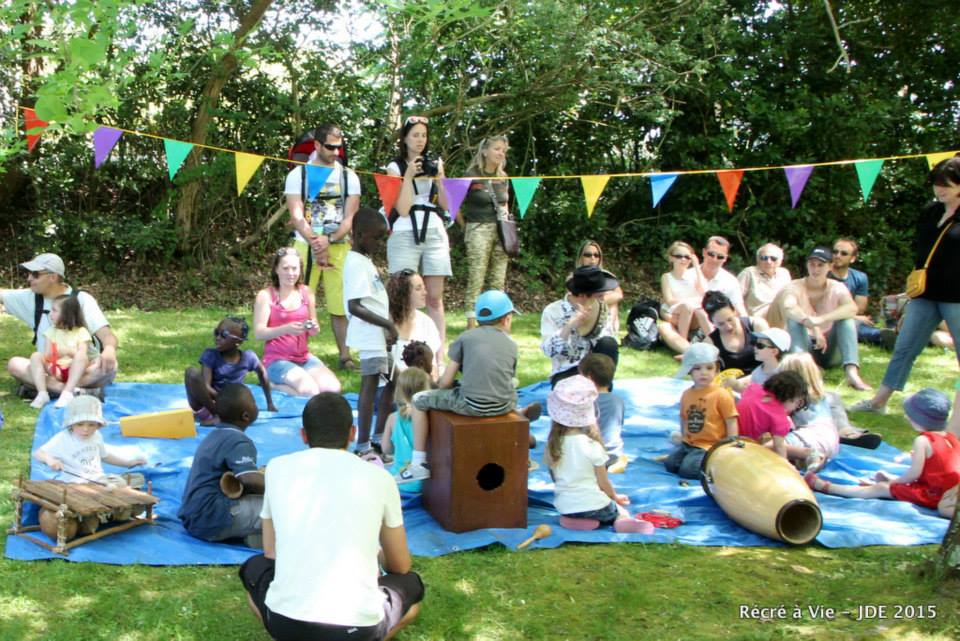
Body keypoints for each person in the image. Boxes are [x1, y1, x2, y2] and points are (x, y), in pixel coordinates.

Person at [239, 392, 424, 640]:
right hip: (359, 629)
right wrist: (373, 552)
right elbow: (400, 565)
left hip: (285, 624)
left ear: (303, 435)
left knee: (253, 568)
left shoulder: (276, 469)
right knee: (412, 587)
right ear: (353, 433)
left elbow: (271, 552)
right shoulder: (380, 478)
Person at [850, 156, 960, 415]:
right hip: (924, 294)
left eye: (946, 184)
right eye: (936, 183)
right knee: (904, 347)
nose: (939, 189)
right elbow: (921, 253)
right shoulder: (931, 211)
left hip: (957, 298)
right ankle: (878, 402)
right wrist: (908, 295)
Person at [397, 290, 539, 482]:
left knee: (418, 400)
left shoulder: (465, 338)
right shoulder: (511, 344)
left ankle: (418, 463)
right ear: (506, 319)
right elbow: (508, 378)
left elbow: (446, 382)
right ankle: (520, 422)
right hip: (504, 404)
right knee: (507, 389)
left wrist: (438, 388)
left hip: (471, 405)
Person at [808, 388, 960, 518]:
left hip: (935, 494)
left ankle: (828, 487)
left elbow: (914, 474)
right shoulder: (951, 438)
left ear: (917, 419)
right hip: (951, 491)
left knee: (881, 489)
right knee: (889, 484)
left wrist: (893, 483)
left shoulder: (923, 441)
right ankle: (889, 483)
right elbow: (940, 470)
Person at [284, 124, 361, 371]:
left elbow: (350, 217)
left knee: (340, 305)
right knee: (298, 303)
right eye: (330, 147)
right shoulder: (298, 175)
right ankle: (294, 354)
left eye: (339, 147)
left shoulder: (349, 176)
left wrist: (330, 239)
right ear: (317, 145)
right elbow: (296, 214)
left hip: (339, 246)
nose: (336, 152)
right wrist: (315, 241)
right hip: (305, 245)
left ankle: (345, 356)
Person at [543, 376, 651, 534]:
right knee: (619, 510)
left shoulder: (553, 446)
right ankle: (621, 522)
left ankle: (575, 521)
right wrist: (614, 497)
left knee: (579, 511)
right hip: (595, 505)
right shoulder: (591, 445)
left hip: (566, 507)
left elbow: (556, 479)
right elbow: (603, 483)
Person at [1, 253, 118, 396]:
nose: (29, 278)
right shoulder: (29, 298)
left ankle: (46, 388)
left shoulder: (82, 299)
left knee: (109, 367)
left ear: (53, 277)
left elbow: (106, 335)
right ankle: (76, 391)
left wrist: (109, 350)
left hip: (84, 368)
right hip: (50, 368)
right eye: (29, 274)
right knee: (15, 364)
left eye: (35, 274)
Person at [386, 116, 452, 348]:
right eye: (415, 135)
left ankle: (437, 352)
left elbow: (447, 205)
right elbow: (403, 209)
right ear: (404, 138)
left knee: (434, 297)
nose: (420, 140)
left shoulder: (434, 163)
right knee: (402, 294)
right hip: (405, 231)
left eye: (424, 135)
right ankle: (400, 347)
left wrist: (440, 179)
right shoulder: (395, 167)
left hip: (434, 230)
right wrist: (409, 176)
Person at [775, 245, 871, 391]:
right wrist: (812, 325)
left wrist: (821, 320)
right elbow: (789, 307)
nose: (815, 269)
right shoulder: (794, 286)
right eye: (812, 264)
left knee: (846, 320)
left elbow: (852, 308)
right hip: (804, 345)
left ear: (830, 267)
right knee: (794, 321)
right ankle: (802, 371)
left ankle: (852, 373)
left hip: (829, 348)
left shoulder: (837, 287)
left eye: (820, 265)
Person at [178, 384, 264, 546]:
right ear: (246, 415)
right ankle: (269, 538)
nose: (256, 404)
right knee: (282, 505)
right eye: (253, 401)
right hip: (213, 518)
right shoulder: (239, 441)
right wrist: (279, 488)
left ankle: (255, 536)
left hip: (194, 519)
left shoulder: (213, 436)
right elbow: (249, 479)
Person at [344, 207, 398, 457]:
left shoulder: (365, 261)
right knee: (370, 386)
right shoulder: (355, 263)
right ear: (359, 234)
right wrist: (387, 324)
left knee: (392, 381)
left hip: (378, 334)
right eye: (375, 238)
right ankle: (363, 445)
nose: (379, 243)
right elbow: (354, 306)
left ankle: (378, 436)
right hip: (369, 334)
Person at [253, 248, 340, 398]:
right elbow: (258, 333)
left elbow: (314, 327)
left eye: (295, 268)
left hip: (303, 357)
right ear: (276, 269)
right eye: (285, 268)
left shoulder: (306, 292)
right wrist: (285, 329)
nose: (291, 273)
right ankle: (270, 385)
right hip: (276, 360)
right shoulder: (265, 295)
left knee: (333, 389)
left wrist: (313, 328)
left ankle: (285, 385)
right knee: (310, 392)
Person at [33, 395, 146, 485]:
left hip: (98, 478)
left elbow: (104, 456)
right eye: (80, 424)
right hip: (75, 482)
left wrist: (128, 463)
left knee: (138, 478)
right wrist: (50, 460)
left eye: (91, 425)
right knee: (118, 484)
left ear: (98, 425)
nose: (86, 429)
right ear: (71, 424)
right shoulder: (63, 438)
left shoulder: (96, 435)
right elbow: (38, 453)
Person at [460, 136, 512, 329]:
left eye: (503, 150)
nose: (501, 153)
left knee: (498, 279)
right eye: (497, 149)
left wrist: (506, 224)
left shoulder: (503, 177)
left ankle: (497, 322)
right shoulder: (470, 175)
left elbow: (505, 203)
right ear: (484, 151)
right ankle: (471, 324)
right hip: (478, 229)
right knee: (477, 277)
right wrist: (464, 225)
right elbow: (453, 203)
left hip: (501, 231)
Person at [184, 316, 276, 426]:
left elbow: (263, 374)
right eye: (216, 333)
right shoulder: (210, 355)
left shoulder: (248, 357)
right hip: (209, 404)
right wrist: (225, 400)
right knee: (191, 373)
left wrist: (270, 403)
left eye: (224, 335)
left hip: (231, 406)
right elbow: (206, 387)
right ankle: (217, 417)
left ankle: (225, 417)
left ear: (238, 341)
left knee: (252, 410)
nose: (217, 338)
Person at [665, 343, 738, 479]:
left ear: (716, 370)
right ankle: (693, 459)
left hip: (709, 445)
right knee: (671, 465)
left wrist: (731, 444)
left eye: (709, 368)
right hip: (689, 443)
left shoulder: (721, 394)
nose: (704, 373)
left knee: (688, 471)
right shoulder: (687, 394)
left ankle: (715, 467)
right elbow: (684, 418)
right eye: (697, 368)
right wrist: (683, 438)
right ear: (689, 371)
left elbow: (731, 420)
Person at [541, 266, 621, 387]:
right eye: (600, 296)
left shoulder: (600, 307)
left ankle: (603, 386)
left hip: (596, 369)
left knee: (609, 343)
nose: (603, 299)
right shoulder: (553, 311)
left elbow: (608, 340)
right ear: (583, 296)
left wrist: (592, 325)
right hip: (568, 370)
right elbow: (548, 351)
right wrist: (569, 326)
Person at [778, 353, 843, 471]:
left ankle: (809, 454)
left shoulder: (793, 397)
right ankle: (810, 462)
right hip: (832, 441)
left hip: (810, 437)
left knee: (769, 446)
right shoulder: (820, 396)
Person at [828, 238, 894, 348]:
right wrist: (855, 317)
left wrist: (853, 317)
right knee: (851, 326)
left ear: (852, 259)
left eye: (843, 253)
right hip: (826, 319)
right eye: (835, 252)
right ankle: (882, 337)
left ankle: (889, 336)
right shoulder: (821, 275)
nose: (837, 256)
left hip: (850, 318)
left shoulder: (860, 277)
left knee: (857, 326)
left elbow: (859, 309)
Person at [28, 294, 91, 409]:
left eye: (54, 310)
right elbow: (47, 356)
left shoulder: (81, 332)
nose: (50, 313)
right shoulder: (51, 331)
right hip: (56, 370)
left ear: (67, 314)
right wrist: (56, 354)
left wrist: (67, 351)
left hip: (74, 369)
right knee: (36, 355)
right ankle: (42, 393)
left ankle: (67, 393)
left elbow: (82, 355)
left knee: (81, 356)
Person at [382, 366, 433, 493]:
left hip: (398, 481)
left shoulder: (392, 418)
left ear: (398, 391)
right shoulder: (430, 419)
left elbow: (386, 449)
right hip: (424, 485)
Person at [735, 371, 808, 459]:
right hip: (738, 444)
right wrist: (784, 465)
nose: (797, 407)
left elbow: (738, 387)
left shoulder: (754, 388)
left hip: (724, 429)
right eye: (798, 402)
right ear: (790, 398)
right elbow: (779, 447)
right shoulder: (780, 418)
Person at [386, 269, 442, 380]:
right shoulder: (384, 322)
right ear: (403, 293)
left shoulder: (426, 322)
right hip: (390, 385)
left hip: (422, 383)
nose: (425, 293)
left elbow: (433, 367)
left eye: (424, 288)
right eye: (418, 289)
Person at [656, 241, 708, 354]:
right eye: (679, 256)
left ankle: (714, 343)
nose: (683, 259)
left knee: (698, 311)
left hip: (694, 316)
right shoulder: (666, 277)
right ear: (671, 258)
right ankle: (683, 342)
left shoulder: (693, 275)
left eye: (687, 257)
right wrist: (690, 302)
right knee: (686, 307)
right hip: (676, 311)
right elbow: (669, 300)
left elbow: (704, 292)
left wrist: (697, 267)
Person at [578, 353, 627, 473]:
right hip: (613, 452)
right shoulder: (618, 401)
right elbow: (619, 425)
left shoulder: (584, 402)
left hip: (590, 456)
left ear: (589, 378)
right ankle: (617, 462)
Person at [703, 290, 770, 375]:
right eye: (721, 324)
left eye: (730, 319)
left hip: (763, 377)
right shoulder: (710, 343)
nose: (729, 327)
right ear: (712, 322)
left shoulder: (757, 326)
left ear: (734, 311)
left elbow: (772, 360)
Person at [574, 240, 625, 336]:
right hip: (584, 315)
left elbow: (619, 295)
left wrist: (597, 302)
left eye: (596, 255)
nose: (592, 258)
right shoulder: (574, 278)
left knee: (613, 301)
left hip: (602, 313)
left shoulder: (607, 277)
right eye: (588, 255)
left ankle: (610, 331)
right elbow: (575, 301)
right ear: (581, 257)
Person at [726, 327, 791, 392]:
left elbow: (762, 396)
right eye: (754, 343)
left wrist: (736, 386)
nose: (755, 347)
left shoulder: (783, 376)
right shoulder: (757, 372)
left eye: (760, 345)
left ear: (774, 351)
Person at [737, 243, 791, 319]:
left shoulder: (784, 273)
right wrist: (745, 319)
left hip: (781, 316)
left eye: (773, 258)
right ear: (758, 260)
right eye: (764, 258)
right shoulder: (749, 273)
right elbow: (735, 299)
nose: (768, 261)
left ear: (780, 261)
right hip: (757, 319)